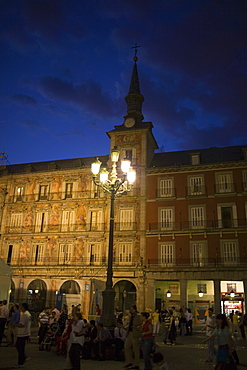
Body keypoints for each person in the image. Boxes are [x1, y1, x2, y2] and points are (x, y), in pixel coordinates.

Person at [11, 302, 31, 368]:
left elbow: (22, 324)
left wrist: (14, 325)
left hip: (22, 333)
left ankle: (21, 362)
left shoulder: (25, 315)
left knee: (20, 347)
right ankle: (23, 358)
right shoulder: (27, 314)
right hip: (25, 332)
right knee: (19, 347)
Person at [124, 304, 142, 370]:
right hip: (129, 333)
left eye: (132, 309)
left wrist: (137, 327)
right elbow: (128, 323)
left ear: (135, 309)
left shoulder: (138, 316)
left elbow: (141, 324)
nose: (131, 311)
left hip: (135, 334)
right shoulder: (130, 316)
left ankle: (136, 364)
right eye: (130, 309)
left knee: (136, 349)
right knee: (127, 347)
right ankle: (129, 361)